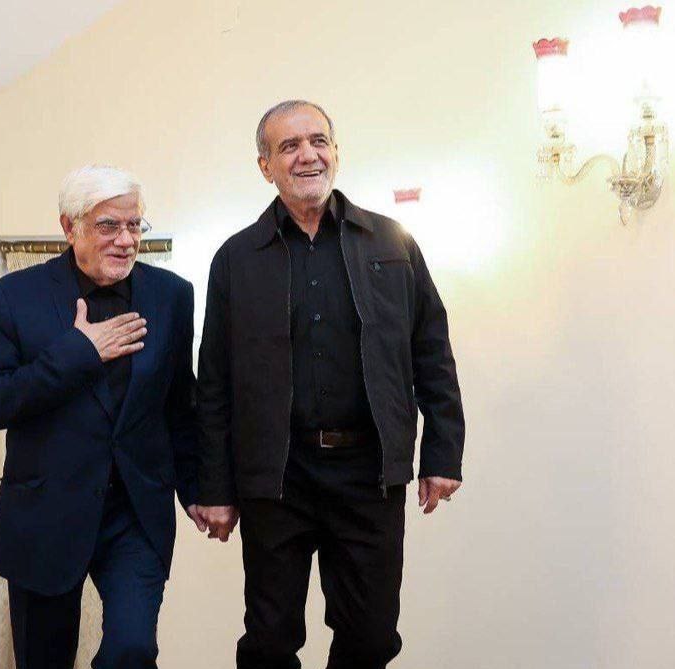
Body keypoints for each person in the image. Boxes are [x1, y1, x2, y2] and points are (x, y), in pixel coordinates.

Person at [196, 100, 467, 669]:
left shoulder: (392, 242)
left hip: (369, 473)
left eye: (318, 141)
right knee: (269, 642)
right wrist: (215, 486)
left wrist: (443, 453)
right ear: (265, 166)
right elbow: (214, 384)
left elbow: (432, 353)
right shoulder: (236, 259)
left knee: (371, 638)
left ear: (336, 152)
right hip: (277, 476)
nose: (308, 155)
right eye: (289, 146)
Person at [0, 165, 203, 669]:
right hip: (45, 515)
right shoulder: (14, 296)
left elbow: (180, 405)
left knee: (133, 649)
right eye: (108, 225)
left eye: (135, 225)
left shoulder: (173, 295)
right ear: (69, 228)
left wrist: (200, 489)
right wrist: (77, 353)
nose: (126, 240)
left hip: (135, 514)